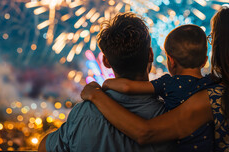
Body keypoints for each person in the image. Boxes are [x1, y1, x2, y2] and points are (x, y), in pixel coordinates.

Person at [81, 6, 229, 151]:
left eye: (213, 38)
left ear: (223, 46)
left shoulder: (215, 100)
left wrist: (97, 95)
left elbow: (144, 133)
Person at [38, 12, 172, 152]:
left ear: (106, 62)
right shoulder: (170, 112)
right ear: (150, 55)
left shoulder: (82, 113)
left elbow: (44, 148)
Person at [102, 24, 215, 151]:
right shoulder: (211, 84)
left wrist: (106, 83)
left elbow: (128, 87)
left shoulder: (168, 83)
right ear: (205, 61)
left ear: (171, 61)